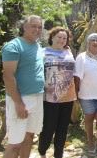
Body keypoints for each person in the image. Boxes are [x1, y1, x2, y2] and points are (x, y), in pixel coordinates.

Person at [2, 15, 44, 158]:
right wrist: (18, 103)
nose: (37, 29)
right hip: (20, 99)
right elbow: (8, 76)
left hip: (37, 98)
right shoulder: (13, 46)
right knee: (15, 143)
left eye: (40, 27)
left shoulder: (38, 46)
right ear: (24, 27)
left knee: (29, 137)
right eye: (33, 26)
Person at [38, 27, 77, 158]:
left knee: (63, 128)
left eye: (64, 38)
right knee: (49, 127)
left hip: (68, 96)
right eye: (59, 37)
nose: (61, 40)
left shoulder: (68, 52)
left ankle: (58, 154)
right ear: (52, 37)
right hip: (50, 97)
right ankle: (42, 151)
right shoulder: (42, 52)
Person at [74, 33, 97, 155]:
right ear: (88, 43)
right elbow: (77, 78)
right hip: (87, 96)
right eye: (92, 40)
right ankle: (90, 142)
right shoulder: (81, 57)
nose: (95, 42)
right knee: (89, 119)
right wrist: (76, 94)